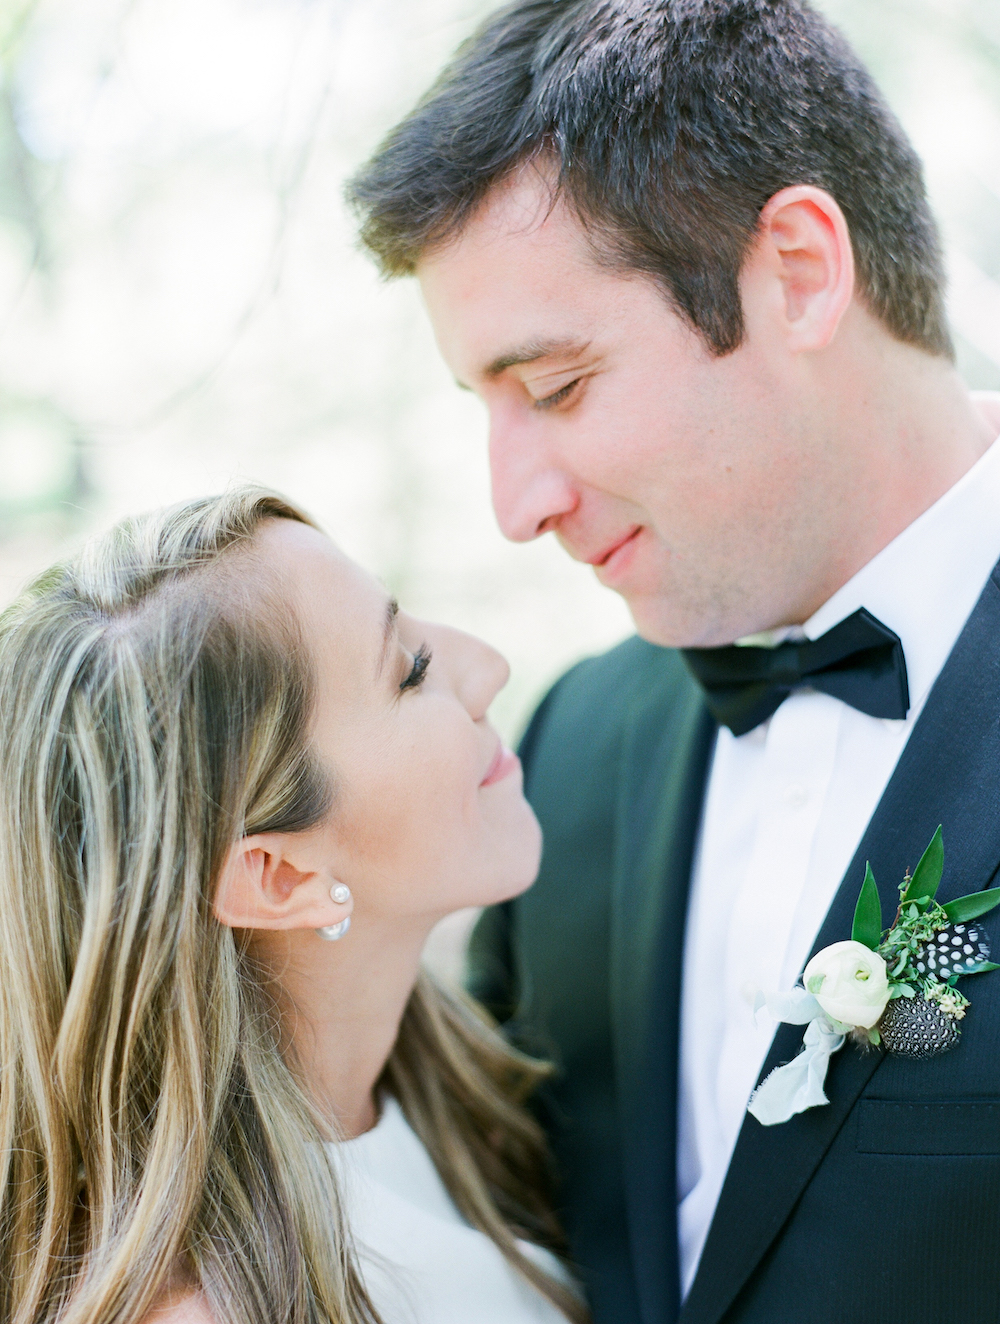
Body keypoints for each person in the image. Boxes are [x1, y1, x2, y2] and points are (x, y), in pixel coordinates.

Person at [347, 0, 1000, 1321]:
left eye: (558, 386)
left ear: (799, 273)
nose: (513, 502)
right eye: (485, 408)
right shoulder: (556, 758)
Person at [0, 488, 586, 1324]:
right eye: (410, 671)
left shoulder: (460, 1099)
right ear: (278, 876)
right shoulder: (207, 1310)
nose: (486, 665)